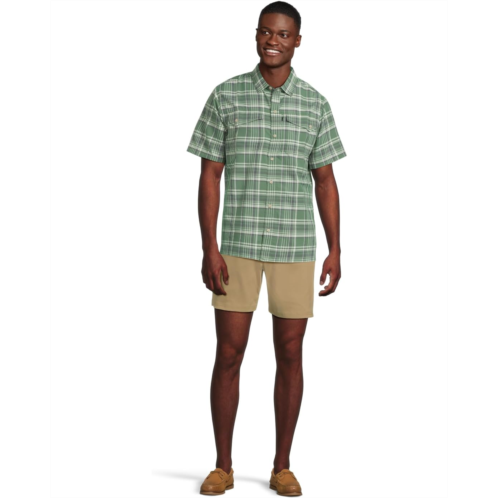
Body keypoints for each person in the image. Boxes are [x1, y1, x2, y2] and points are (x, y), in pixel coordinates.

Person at [186, 1, 347, 495]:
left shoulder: (316, 104)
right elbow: (209, 175)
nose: (272, 41)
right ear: (256, 36)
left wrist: (336, 249)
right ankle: (223, 466)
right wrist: (209, 247)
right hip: (237, 244)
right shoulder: (225, 95)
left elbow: (325, 180)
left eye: (282, 34)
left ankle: (281, 467)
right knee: (229, 353)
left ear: (297, 41)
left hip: (295, 245)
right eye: (265, 32)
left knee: (291, 354)